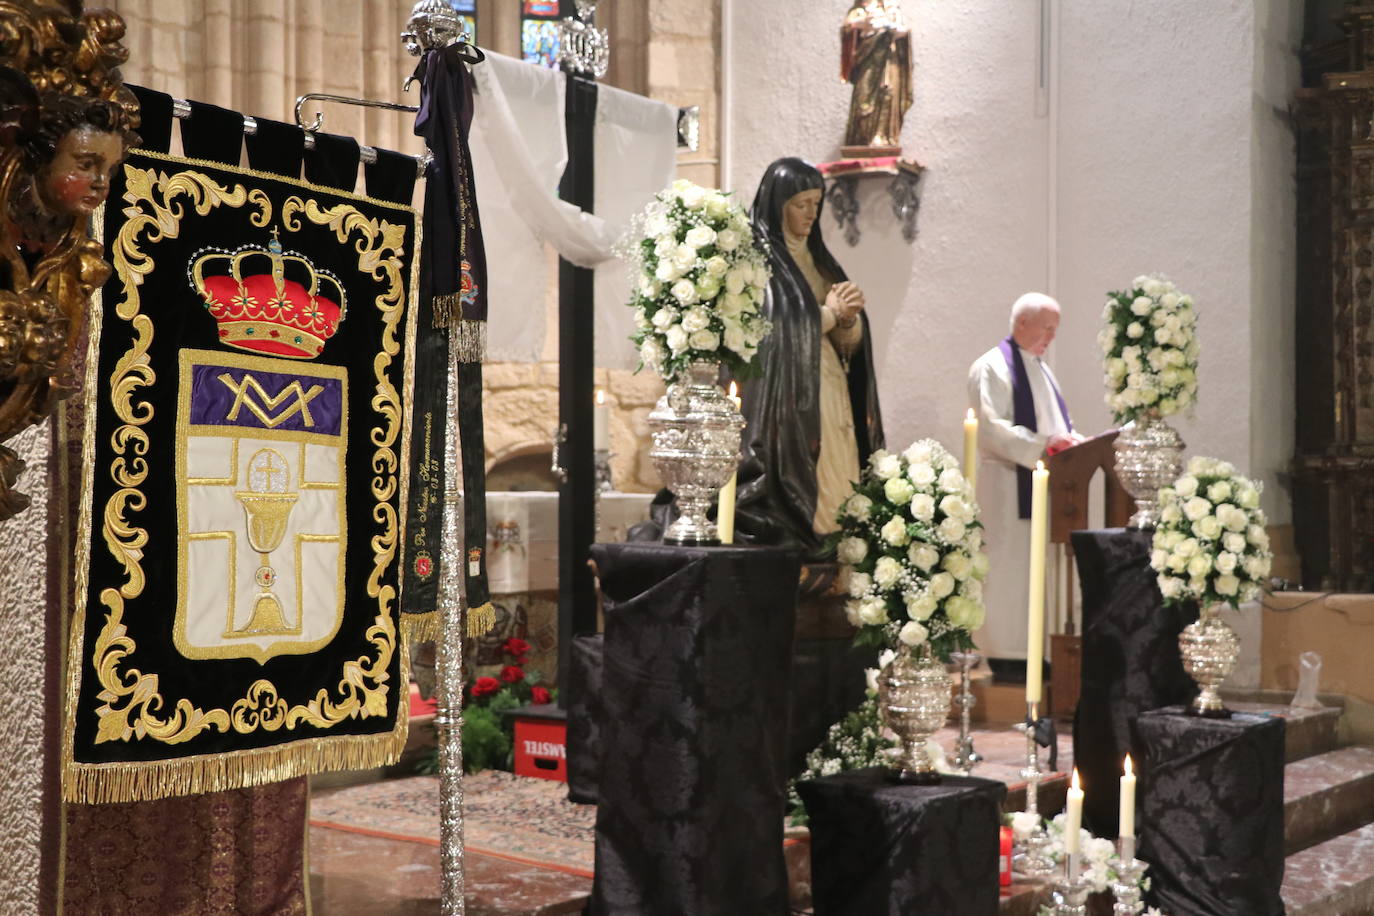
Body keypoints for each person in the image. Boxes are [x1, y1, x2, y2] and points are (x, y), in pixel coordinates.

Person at [735, 157, 884, 557]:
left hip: (830, 384)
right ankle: (808, 535)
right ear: (777, 204)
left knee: (839, 459)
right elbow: (770, 330)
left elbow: (848, 348)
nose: (810, 213)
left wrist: (850, 323)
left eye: (816, 203)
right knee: (807, 466)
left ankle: (836, 542)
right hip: (785, 392)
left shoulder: (821, 262)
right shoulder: (757, 261)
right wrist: (831, 314)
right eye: (801, 203)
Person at [967, 292, 1082, 670]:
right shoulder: (993, 367)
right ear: (1021, 323)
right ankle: (1006, 656)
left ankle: (1038, 657)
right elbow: (991, 429)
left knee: (1036, 576)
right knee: (1008, 574)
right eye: (1047, 328)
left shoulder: (1041, 369)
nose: (1051, 336)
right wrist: (1045, 445)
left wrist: (1073, 442)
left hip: (1040, 487)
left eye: (1055, 329)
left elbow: (1056, 427)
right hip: (1005, 489)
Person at [840, 0, 913, 152]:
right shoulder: (861, 9)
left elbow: (902, 31)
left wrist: (897, 32)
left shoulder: (892, 9)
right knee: (864, 100)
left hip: (889, 62)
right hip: (868, 62)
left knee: (887, 94)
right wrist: (862, 25)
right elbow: (848, 29)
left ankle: (882, 137)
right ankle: (862, 139)